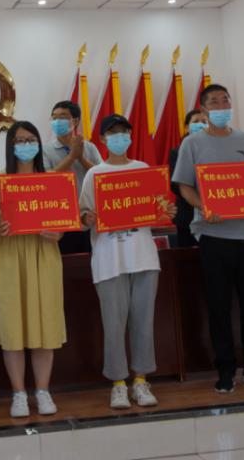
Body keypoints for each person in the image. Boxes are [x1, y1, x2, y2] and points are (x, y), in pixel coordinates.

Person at [172, 84, 244, 394]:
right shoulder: (193, 143)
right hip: (213, 236)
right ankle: (225, 369)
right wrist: (203, 206)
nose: (221, 106)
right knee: (219, 307)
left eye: (225, 101)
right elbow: (184, 186)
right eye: (214, 102)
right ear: (204, 109)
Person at [80, 114, 176, 409]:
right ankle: (118, 383)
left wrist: (166, 212)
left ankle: (141, 380)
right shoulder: (94, 174)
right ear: (102, 139)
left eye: (124, 132)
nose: (119, 137)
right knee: (113, 324)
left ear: (131, 136)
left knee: (143, 322)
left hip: (143, 257)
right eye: (113, 133)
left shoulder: (143, 170)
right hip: (109, 259)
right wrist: (87, 217)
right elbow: (82, 216)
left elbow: (158, 209)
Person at [0, 121, 65, 418]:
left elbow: (64, 221)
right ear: (10, 145)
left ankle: (42, 391)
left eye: (31, 139)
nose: (26, 145)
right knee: (12, 326)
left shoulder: (52, 179)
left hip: (44, 256)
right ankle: (18, 394)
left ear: (39, 143)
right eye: (19, 140)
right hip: (10, 257)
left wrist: (58, 232)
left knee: (44, 325)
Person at [41, 100, 102, 255]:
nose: (57, 121)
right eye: (54, 117)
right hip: (59, 218)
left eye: (62, 117)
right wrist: (72, 157)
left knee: (88, 262)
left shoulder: (89, 147)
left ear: (75, 121)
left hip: (88, 217)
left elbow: (100, 176)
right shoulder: (45, 150)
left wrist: (80, 158)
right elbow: (46, 180)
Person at [167, 108, 208, 248]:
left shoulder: (217, 149)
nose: (201, 124)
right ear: (186, 127)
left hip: (215, 215)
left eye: (204, 122)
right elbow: (174, 184)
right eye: (196, 121)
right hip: (187, 215)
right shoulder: (177, 152)